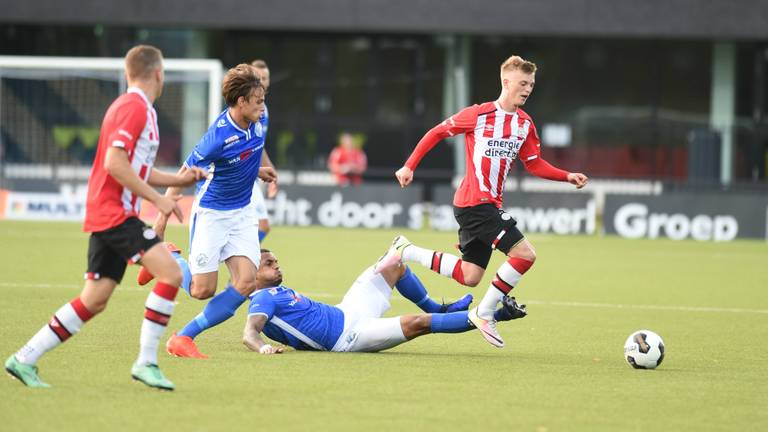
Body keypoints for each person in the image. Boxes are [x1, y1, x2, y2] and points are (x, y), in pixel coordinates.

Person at [4, 45, 207, 390]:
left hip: (108, 213)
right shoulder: (133, 108)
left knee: (93, 299)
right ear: (158, 74)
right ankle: (147, 361)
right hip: (115, 214)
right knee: (172, 272)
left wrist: (178, 180)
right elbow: (115, 165)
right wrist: (160, 200)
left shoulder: (135, 108)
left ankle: (23, 358)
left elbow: (136, 167)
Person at [377, 55, 588, 348]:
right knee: (525, 255)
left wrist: (567, 176)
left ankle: (405, 249)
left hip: (482, 207)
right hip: (476, 203)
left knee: (471, 275)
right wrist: (409, 165)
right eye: (523, 83)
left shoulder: (525, 124)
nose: (528, 88)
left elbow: (534, 163)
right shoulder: (478, 115)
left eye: (531, 84)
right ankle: (485, 313)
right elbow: (437, 132)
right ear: (506, 82)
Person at [151, 64, 277, 359]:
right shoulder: (216, 138)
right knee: (201, 290)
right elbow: (184, 173)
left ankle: (183, 337)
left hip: (243, 212)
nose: (263, 106)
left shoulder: (259, 117)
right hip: (213, 214)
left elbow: (251, 149)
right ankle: (167, 255)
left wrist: (259, 171)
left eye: (263, 99)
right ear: (241, 102)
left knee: (246, 282)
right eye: (257, 100)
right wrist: (161, 217)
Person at [242, 247, 528, 354]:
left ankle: (438, 307)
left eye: (276, 260)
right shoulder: (261, 299)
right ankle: (495, 315)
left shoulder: (276, 291)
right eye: (269, 263)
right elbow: (249, 333)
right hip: (347, 337)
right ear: (253, 273)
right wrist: (264, 348)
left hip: (348, 310)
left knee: (393, 261)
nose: (277, 265)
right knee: (419, 324)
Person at [249, 59, 278, 243]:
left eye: (266, 78)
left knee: (257, 226)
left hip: (252, 173)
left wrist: (271, 170)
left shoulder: (263, 110)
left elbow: (259, 147)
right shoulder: (248, 108)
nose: (263, 81)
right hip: (242, 172)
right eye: (258, 78)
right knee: (262, 225)